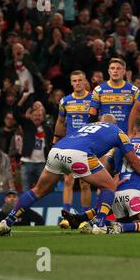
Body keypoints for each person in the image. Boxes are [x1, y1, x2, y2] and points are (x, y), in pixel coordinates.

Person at [0, 115, 140, 236]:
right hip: (79, 155)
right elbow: (135, 161)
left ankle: (8, 221)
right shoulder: (118, 132)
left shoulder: (87, 127)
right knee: (109, 185)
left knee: (38, 190)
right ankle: (100, 224)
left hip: (57, 151)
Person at [53, 70, 93, 226]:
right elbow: (60, 121)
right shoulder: (65, 101)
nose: (77, 83)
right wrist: (56, 139)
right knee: (68, 180)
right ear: (71, 83)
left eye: (80, 80)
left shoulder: (92, 100)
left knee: (85, 183)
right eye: (74, 81)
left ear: (85, 82)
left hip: (87, 145)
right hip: (70, 144)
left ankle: (85, 218)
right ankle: (66, 217)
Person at [89, 58, 137, 133]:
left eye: (118, 68)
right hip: (104, 135)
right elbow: (92, 115)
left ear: (124, 71)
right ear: (109, 71)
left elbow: (138, 113)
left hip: (126, 134)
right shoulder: (98, 90)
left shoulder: (134, 90)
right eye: (112, 68)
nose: (115, 71)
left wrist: (133, 131)